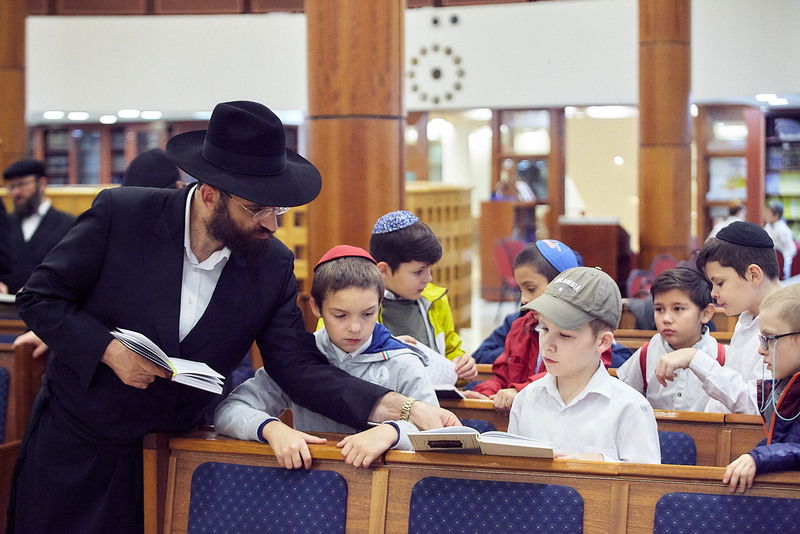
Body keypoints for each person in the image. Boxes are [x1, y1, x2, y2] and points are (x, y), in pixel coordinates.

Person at [7, 101, 456, 534]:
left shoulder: (270, 263)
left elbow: (294, 366)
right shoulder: (123, 215)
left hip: (177, 453)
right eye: (256, 209)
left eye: (277, 209)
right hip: (80, 446)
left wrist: (404, 407)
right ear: (208, 195)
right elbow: (41, 298)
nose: (271, 225)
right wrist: (106, 350)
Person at [215, 245, 437, 468]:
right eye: (340, 315)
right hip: (312, 484)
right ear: (316, 307)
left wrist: (392, 432)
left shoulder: (404, 362)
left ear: (379, 305)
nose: (355, 327)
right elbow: (228, 411)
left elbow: (438, 432)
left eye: (368, 314)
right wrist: (270, 428)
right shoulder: (298, 361)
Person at [508, 267, 661, 463]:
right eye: (544, 328)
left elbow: (646, 487)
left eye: (565, 335)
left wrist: (602, 465)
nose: (548, 345)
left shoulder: (630, 407)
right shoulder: (525, 400)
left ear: (603, 342)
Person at [462, 240, 610, 414]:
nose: (523, 299)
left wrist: (519, 391)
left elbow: (572, 378)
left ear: (561, 286)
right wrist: (486, 394)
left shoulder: (588, 331)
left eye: (531, 289)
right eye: (521, 290)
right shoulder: (520, 326)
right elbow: (502, 376)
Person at [655, 221, 782, 414]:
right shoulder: (746, 319)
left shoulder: (789, 324)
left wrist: (695, 358)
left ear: (753, 274)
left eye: (720, 283)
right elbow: (724, 402)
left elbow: (761, 405)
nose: (713, 293)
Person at [369, 210, 478, 381]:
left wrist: (462, 365)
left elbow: (450, 351)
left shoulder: (434, 300)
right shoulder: (357, 307)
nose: (428, 278)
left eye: (429, 269)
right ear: (383, 270)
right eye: (419, 271)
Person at [723, 284, 800, 493]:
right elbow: (787, 440)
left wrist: (758, 457)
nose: (761, 349)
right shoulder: (787, 386)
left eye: (770, 339)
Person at [616, 267, 726, 411]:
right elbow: (624, 402)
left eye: (678, 309)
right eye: (659, 309)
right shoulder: (646, 353)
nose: (666, 319)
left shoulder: (722, 357)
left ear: (706, 313)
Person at [0, 158, 75, 294]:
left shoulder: (70, 225)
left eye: (21, 184)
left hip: (48, 308)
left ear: (41, 183)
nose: (16, 192)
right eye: (11, 187)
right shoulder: (4, 223)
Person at [764, 201, 796, 280]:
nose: (765, 215)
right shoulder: (768, 225)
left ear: (776, 215)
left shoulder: (783, 230)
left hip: (782, 261)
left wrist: (785, 268)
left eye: (768, 213)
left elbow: (790, 250)